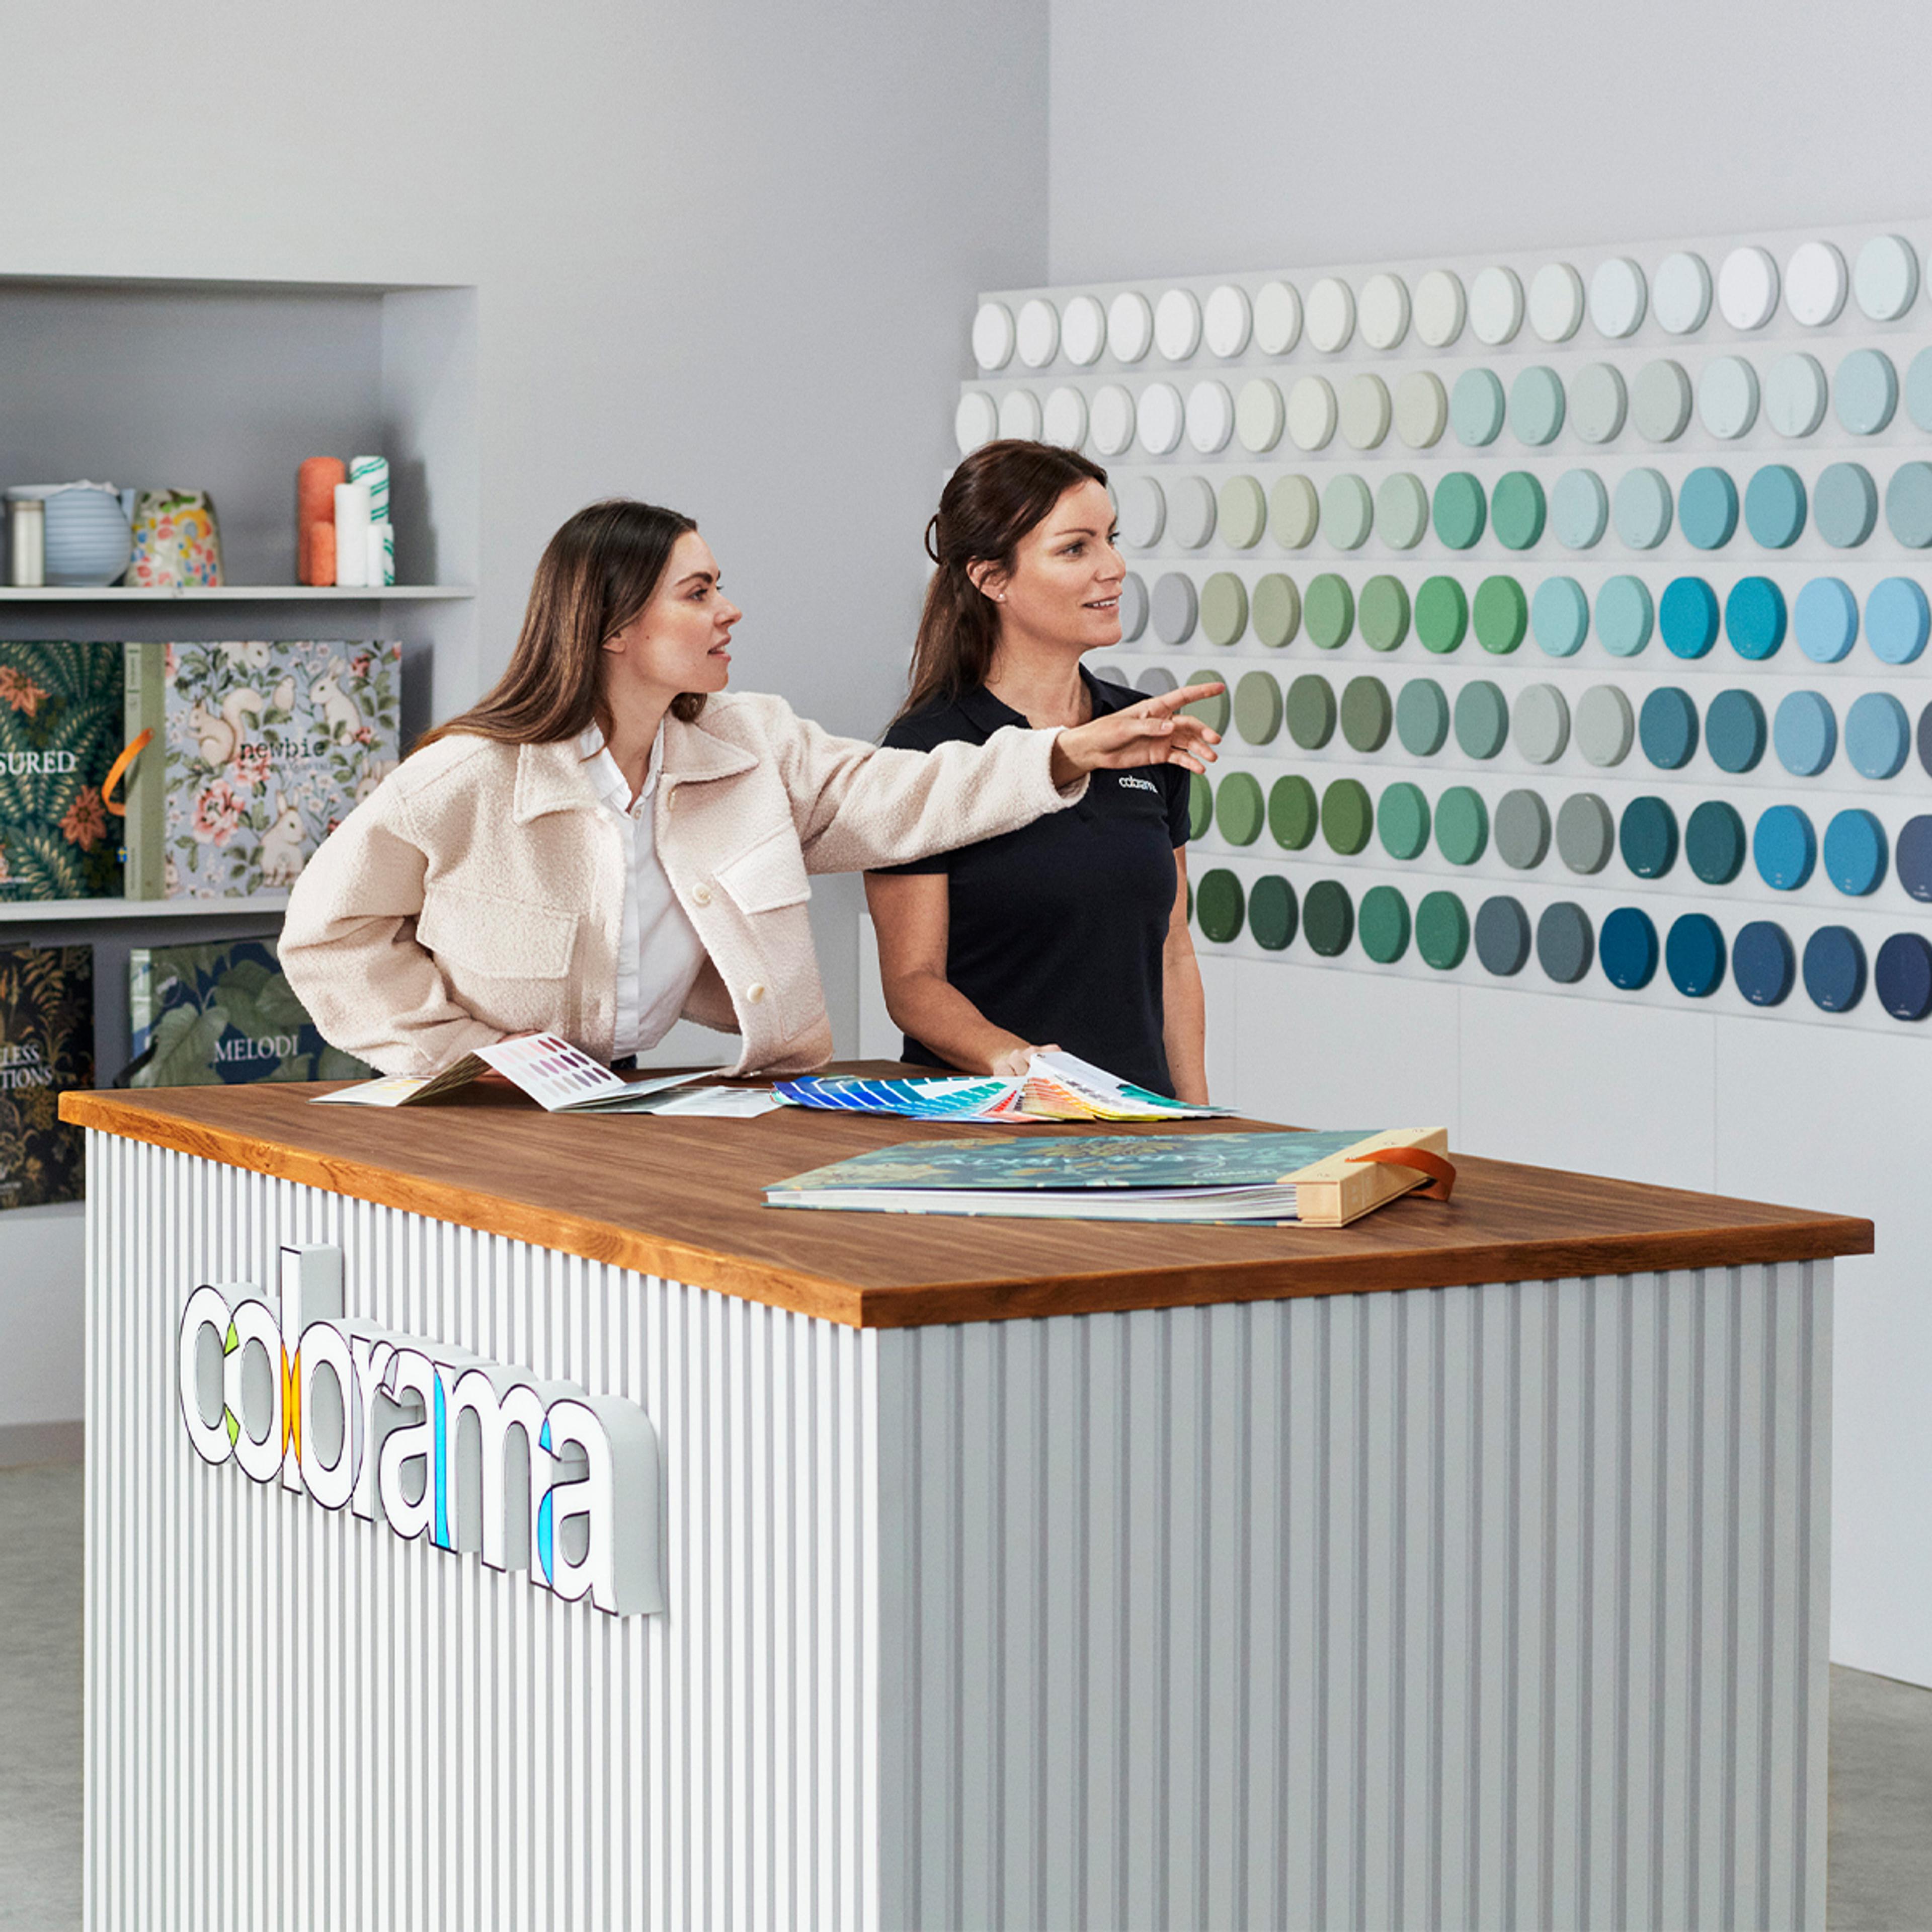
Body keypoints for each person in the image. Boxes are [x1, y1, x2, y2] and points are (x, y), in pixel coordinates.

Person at [279, 496, 1222, 1078]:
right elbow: (329, 934)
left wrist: (1062, 753)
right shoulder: (471, 774)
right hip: (491, 1122)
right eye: (697, 593)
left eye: (718, 585)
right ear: (612, 626)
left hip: (647, 1096)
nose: (728, 610)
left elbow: (904, 797)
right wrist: (460, 1060)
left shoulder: (749, 743)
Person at [865, 441, 1208, 1100]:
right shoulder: (924, 752)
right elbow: (913, 984)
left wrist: (1198, 1118)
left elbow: (1173, 947)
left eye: (1111, 539)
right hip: (989, 1122)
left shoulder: (1144, 730)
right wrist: (1024, 1065)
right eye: (1076, 548)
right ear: (992, 578)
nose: (1114, 567)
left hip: (1137, 1124)